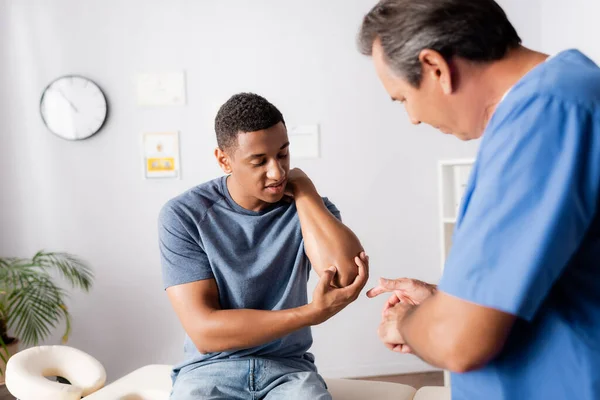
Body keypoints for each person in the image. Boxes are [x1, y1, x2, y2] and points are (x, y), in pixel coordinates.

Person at [357, 0, 600, 399]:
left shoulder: (545, 117)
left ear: (436, 67)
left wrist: (407, 321)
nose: (413, 118)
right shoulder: (563, 96)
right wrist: (444, 301)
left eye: (402, 99)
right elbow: (552, 282)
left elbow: (459, 340)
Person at [158, 92, 368, 400]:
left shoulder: (310, 208)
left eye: (283, 154)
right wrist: (311, 313)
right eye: (259, 161)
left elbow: (345, 277)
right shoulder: (183, 215)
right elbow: (205, 331)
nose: (277, 172)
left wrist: (305, 190)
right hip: (208, 371)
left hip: (288, 372)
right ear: (223, 160)